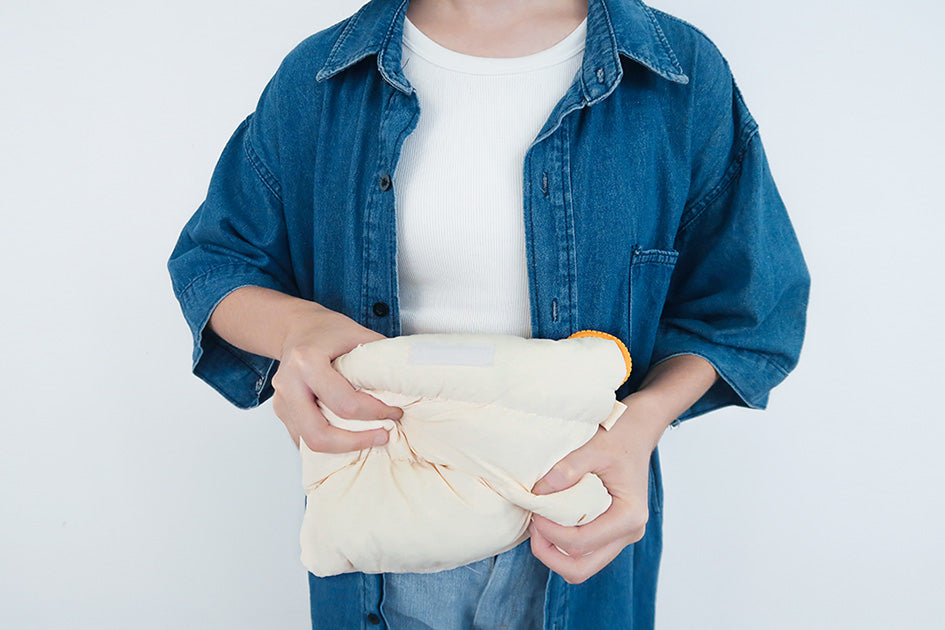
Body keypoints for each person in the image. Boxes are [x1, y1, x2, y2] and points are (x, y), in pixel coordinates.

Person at [166, 0, 810, 628]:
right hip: (381, 526)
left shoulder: (679, 75)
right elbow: (217, 260)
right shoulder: (322, 77)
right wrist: (295, 332)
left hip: (585, 523)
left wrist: (642, 422)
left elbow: (742, 308)